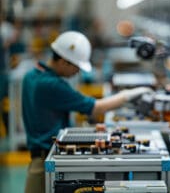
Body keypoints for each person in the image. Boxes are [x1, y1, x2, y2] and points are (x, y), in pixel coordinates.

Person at [22, 31, 152, 193]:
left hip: (40, 156)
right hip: (46, 160)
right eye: (77, 67)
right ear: (64, 62)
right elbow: (95, 108)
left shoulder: (32, 76)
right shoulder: (52, 85)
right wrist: (128, 95)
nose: (78, 72)